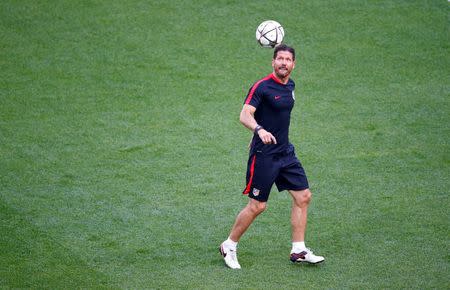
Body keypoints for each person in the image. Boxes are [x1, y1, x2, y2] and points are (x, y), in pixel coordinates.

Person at [219, 44, 324, 269]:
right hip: (264, 155)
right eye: (280, 59)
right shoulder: (262, 87)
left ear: (293, 64)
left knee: (303, 196)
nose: (283, 63)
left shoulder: (291, 86)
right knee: (257, 206)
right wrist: (259, 131)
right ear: (273, 62)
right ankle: (229, 245)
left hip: (285, 152)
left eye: (288, 59)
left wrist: (268, 130)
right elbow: (244, 114)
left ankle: (298, 250)